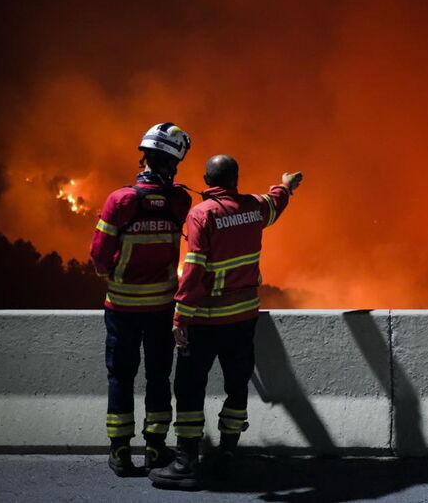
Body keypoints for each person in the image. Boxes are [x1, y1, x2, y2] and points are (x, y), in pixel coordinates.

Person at [149, 154, 303, 489]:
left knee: (189, 389)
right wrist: (286, 185)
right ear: (236, 178)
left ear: (206, 179)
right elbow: (274, 203)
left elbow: (192, 270)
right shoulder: (252, 208)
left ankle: (186, 463)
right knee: (236, 386)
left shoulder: (201, 214)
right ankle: (227, 456)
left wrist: (180, 316)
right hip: (243, 319)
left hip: (205, 320)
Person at [90, 123, 194, 476]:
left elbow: (99, 254)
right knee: (159, 376)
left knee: (120, 375)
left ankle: (119, 450)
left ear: (145, 156)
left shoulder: (119, 200)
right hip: (162, 309)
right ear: (173, 162)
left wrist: (112, 275)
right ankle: (155, 447)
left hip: (121, 308)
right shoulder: (179, 201)